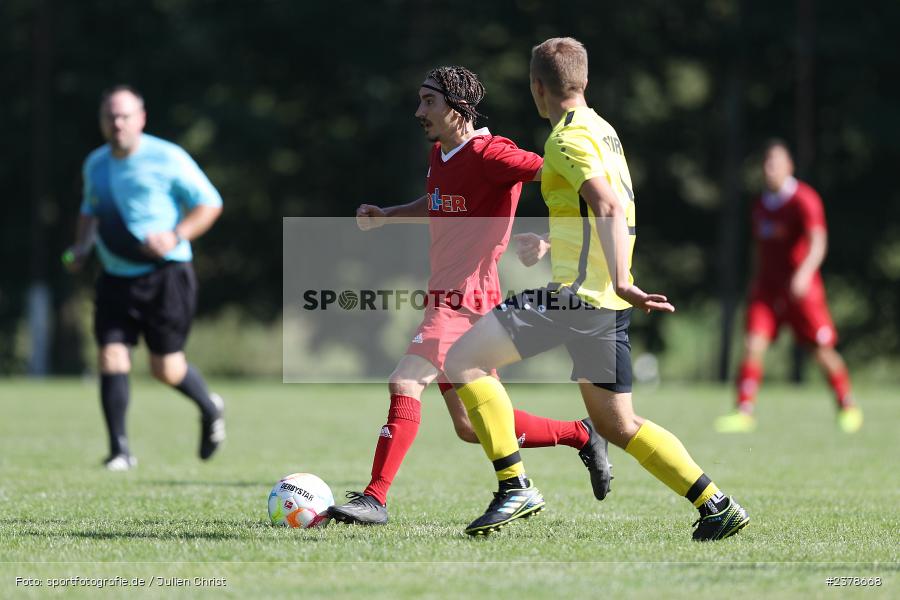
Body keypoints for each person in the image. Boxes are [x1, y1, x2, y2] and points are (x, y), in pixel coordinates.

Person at [443, 37, 750, 541]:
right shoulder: (604, 131)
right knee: (617, 424)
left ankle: (514, 486)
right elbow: (596, 210)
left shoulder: (563, 138)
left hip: (577, 297)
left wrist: (624, 279)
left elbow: (607, 205)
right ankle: (715, 503)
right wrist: (552, 242)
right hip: (602, 303)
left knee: (462, 361)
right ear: (584, 81)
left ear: (537, 87)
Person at [328, 66, 612, 526]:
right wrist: (389, 214)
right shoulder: (442, 153)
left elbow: (563, 175)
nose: (419, 111)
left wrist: (549, 239)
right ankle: (581, 434)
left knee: (405, 382)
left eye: (429, 101)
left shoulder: (492, 153)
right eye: (420, 100)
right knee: (471, 425)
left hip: (464, 301)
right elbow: (440, 202)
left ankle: (375, 498)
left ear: (458, 108)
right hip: (449, 297)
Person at [64, 85, 225, 470]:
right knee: (110, 355)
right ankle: (120, 451)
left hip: (166, 275)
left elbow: (210, 203)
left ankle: (209, 407)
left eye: (125, 116)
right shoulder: (96, 164)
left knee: (165, 368)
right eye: (110, 117)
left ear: (141, 118)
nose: (117, 123)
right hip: (115, 277)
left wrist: (175, 234)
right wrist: (81, 247)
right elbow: (90, 210)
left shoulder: (168, 157)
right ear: (102, 121)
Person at [715, 140, 863, 434]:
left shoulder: (804, 199)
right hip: (767, 290)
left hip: (801, 290)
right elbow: (759, 248)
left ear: (789, 167)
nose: (769, 169)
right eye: (766, 163)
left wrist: (805, 274)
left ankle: (847, 405)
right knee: (753, 344)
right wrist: (755, 281)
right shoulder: (760, 204)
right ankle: (744, 411)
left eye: (775, 163)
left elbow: (818, 242)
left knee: (821, 350)